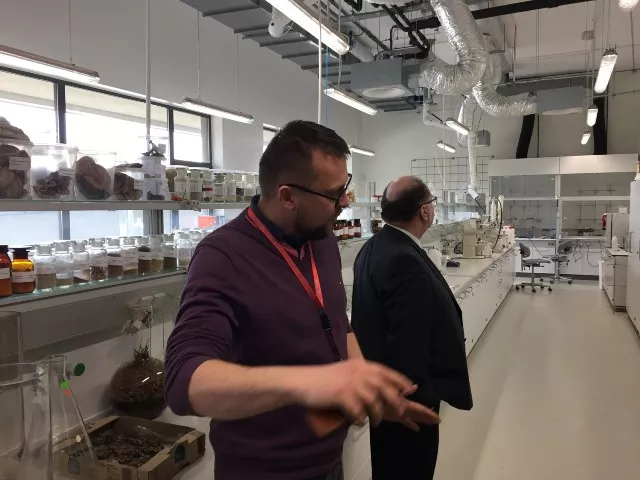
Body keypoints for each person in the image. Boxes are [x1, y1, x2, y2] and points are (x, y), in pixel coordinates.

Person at [164, 122, 440, 480]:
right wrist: (312, 382)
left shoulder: (320, 239)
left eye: (345, 187)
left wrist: (364, 383)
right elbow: (184, 381)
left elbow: (336, 321)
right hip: (262, 471)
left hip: (328, 459)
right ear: (287, 197)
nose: (344, 202)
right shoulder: (222, 256)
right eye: (333, 194)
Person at [351, 176, 473, 480]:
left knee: (388, 467)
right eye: (432, 202)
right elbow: (409, 341)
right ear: (424, 211)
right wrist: (419, 400)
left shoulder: (374, 246)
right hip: (407, 402)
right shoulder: (404, 259)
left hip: (384, 391)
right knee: (410, 468)